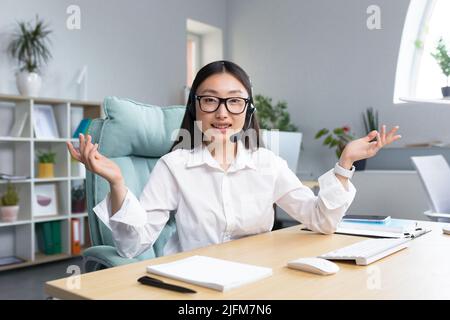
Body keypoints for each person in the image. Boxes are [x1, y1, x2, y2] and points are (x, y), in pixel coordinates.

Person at [67, 60, 401, 258]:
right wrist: (117, 183)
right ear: (196, 107)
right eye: (210, 100)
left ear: (248, 108)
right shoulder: (175, 166)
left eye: (234, 102)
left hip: (256, 282)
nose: (222, 113)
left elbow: (322, 221)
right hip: (191, 288)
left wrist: (344, 165)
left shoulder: (267, 164)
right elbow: (132, 246)